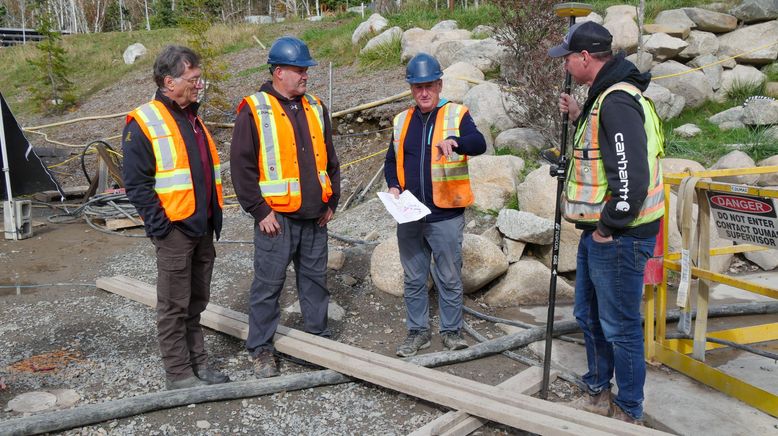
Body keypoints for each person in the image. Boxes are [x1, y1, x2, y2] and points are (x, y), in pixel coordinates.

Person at [548, 22, 664, 424]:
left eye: (567, 56)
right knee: (589, 315)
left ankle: (628, 409)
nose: (564, 63)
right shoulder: (603, 100)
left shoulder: (616, 102)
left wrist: (606, 228)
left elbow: (631, 177)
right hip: (604, 234)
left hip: (620, 236)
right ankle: (598, 392)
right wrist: (580, 115)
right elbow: (605, 153)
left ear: (584, 58)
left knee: (620, 326)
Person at [231, 36, 340, 378]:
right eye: (300, 69)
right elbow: (241, 167)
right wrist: (260, 211)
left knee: (315, 283)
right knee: (268, 286)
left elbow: (331, 160)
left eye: (307, 68)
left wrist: (331, 201)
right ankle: (261, 348)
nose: (306, 74)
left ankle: (317, 340)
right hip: (276, 220)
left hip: (314, 218)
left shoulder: (316, 107)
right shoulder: (255, 109)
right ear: (279, 72)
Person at [123, 45, 229, 390]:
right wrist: (161, 229)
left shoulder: (191, 117)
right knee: (173, 305)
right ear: (170, 81)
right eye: (194, 78)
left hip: (201, 227)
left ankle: (198, 364)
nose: (200, 84)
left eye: (199, 78)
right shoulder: (144, 121)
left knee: (196, 301)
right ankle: (179, 374)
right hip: (175, 231)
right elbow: (137, 185)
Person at [384, 53, 486, 358]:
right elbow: (392, 161)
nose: (424, 92)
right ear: (411, 89)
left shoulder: (457, 114)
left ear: (439, 84)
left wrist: (456, 142)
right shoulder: (401, 121)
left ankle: (452, 331)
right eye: (418, 87)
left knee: (449, 276)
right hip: (410, 216)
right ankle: (417, 332)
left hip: (445, 214)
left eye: (429, 86)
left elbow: (478, 143)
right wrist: (393, 186)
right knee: (414, 278)